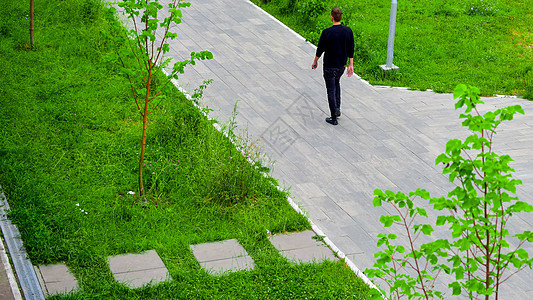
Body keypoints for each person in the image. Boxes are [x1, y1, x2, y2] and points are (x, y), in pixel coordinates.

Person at [312, 7, 354, 126]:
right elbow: (351, 48)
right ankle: (338, 108)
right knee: (336, 83)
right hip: (342, 65)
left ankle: (333, 117)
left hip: (329, 67)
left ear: (331, 17)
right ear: (340, 17)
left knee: (330, 89)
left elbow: (320, 49)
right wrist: (351, 64)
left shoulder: (327, 32)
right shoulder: (348, 31)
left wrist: (315, 61)